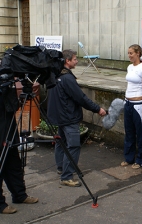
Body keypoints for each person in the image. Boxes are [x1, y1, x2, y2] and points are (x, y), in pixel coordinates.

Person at [47, 49, 106, 187]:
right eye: (74, 59)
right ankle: (66, 176)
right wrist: (98, 109)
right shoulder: (67, 78)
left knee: (61, 142)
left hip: (60, 116)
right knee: (73, 145)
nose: (77, 61)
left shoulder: (55, 74)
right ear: (67, 61)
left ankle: (61, 168)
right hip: (68, 117)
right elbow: (81, 98)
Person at [0, 83, 38, 214]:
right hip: (1, 131)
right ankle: (0, 204)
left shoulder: (6, 80)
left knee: (14, 165)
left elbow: (13, 107)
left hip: (9, 129)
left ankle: (19, 195)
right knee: (1, 165)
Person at [121, 44, 142, 169]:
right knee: (129, 131)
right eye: (128, 53)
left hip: (138, 104)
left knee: (140, 133)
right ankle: (129, 158)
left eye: (131, 53)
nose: (129, 55)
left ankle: (141, 159)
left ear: (138, 53)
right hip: (128, 102)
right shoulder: (129, 67)